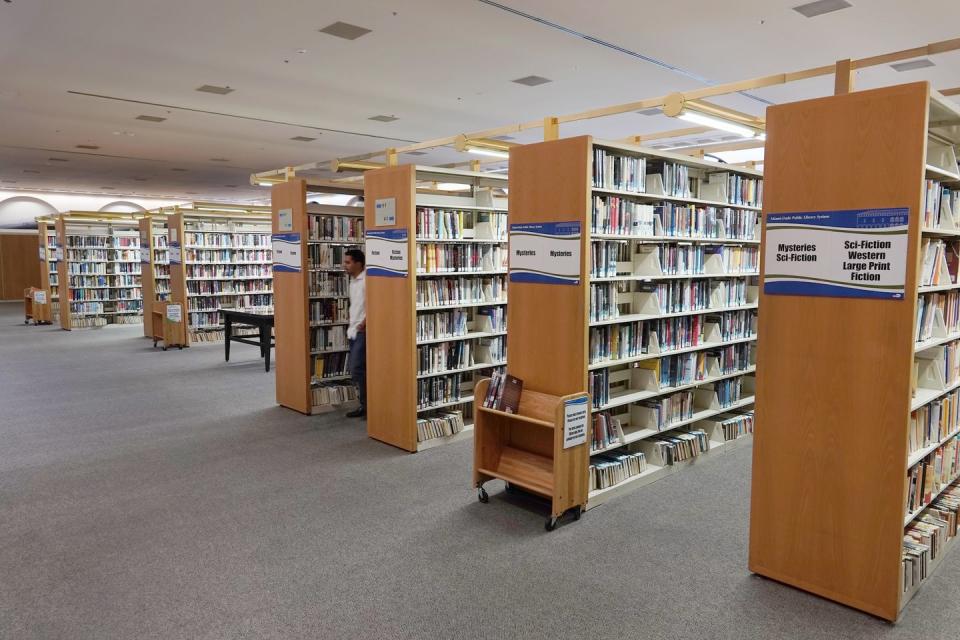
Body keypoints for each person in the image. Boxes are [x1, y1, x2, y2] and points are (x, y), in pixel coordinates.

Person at [343, 248, 366, 418]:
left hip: (363, 330)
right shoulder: (352, 281)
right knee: (360, 370)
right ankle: (364, 405)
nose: (345, 266)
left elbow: (373, 304)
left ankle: (367, 404)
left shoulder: (367, 281)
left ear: (358, 263)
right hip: (353, 330)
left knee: (356, 368)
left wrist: (365, 323)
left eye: (348, 262)